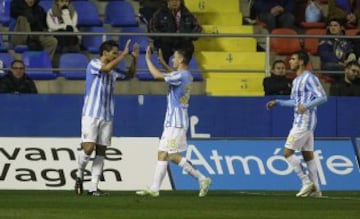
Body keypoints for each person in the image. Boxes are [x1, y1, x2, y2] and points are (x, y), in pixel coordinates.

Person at [136, 46, 211, 197]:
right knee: (162, 153)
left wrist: (147, 59)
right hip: (173, 121)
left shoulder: (181, 76)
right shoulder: (186, 75)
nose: (173, 59)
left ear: (181, 60)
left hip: (176, 122)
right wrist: (163, 62)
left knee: (172, 155)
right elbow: (173, 74)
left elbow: (157, 76)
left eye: (175, 57)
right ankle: (155, 188)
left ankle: (202, 178)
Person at [74, 39, 140, 196]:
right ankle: (79, 174)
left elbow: (130, 75)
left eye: (117, 53)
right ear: (105, 52)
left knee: (101, 151)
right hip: (91, 114)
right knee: (88, 148)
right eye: (114, 53)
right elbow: (105, 68)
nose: (116, 55)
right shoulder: (94, 64)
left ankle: (93, 188)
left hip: (107, 115)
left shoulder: (113, 70)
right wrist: (124, 55)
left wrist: (135, 59)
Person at [266, 50, 327, 198]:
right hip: (301, 120)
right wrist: (278, 102)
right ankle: (317, 190)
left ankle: (306, 182)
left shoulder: (309, 78)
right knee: (308, 155)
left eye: (293, 59)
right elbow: (295, 102)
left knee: (287, 152)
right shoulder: (295, 80)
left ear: (301, 62)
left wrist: (306, 106)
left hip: (305, 121)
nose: (290, 62)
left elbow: (323, 97)